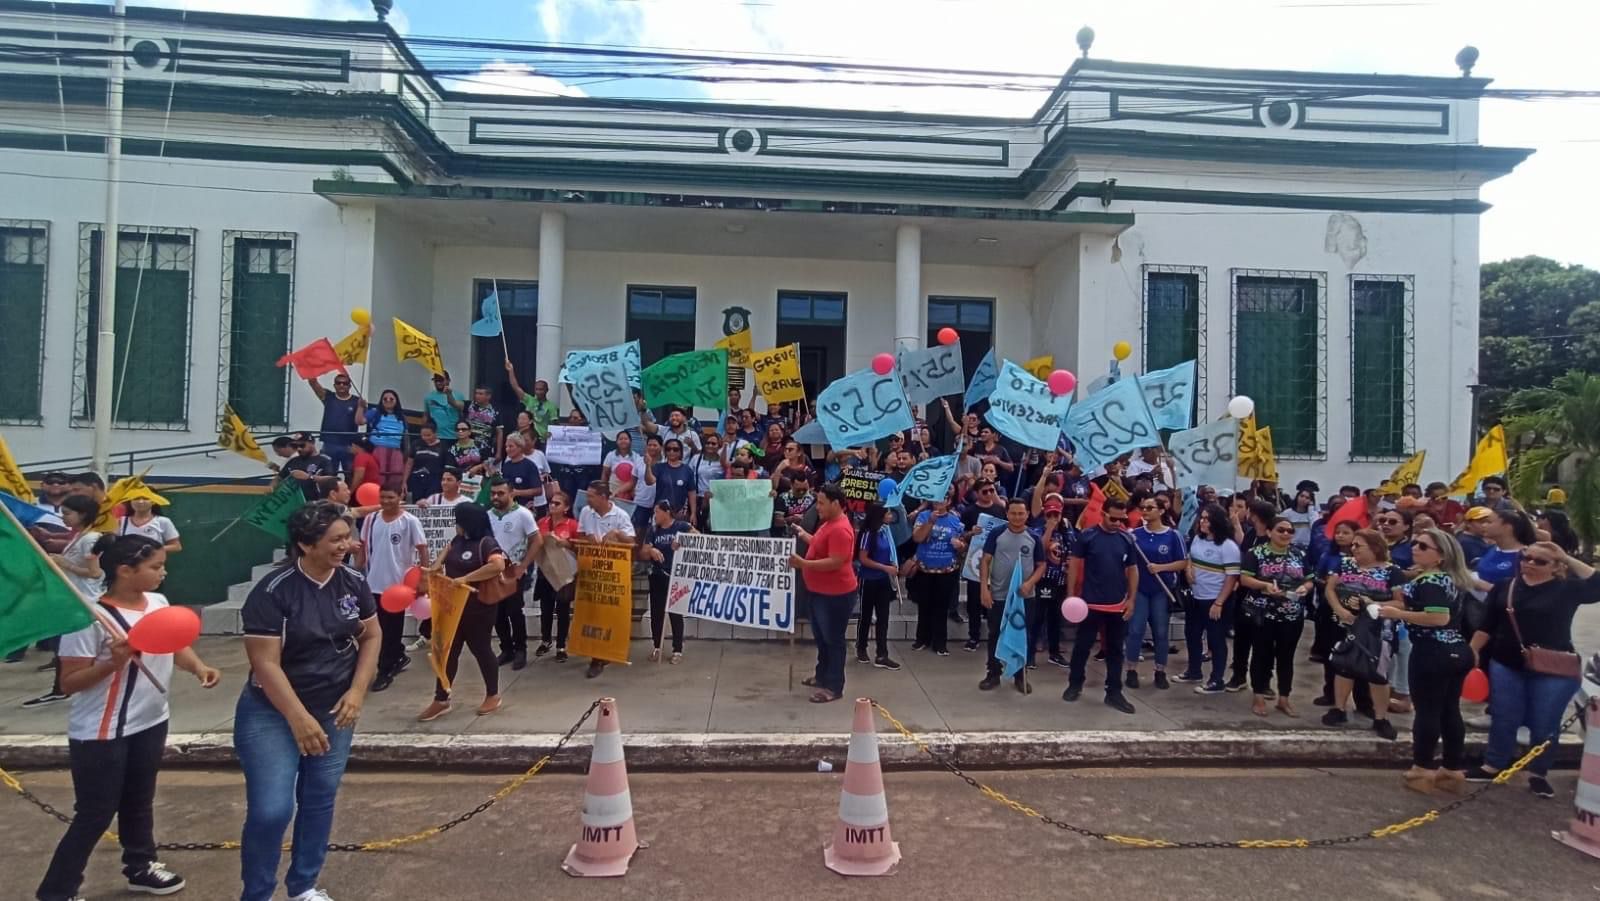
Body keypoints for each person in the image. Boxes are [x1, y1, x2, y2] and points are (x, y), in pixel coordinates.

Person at [35, 536, 221, 901]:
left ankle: (141, 865)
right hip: (102, 732)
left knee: (139, 799)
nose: (163, 573)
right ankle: (57, 890)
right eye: (155, 567)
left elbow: (173, 643)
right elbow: (69, 682)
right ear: (125, 570)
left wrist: (199, 667)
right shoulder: (90, 618)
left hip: (150, 720)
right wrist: (113, 663)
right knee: (96, 812)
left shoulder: (158, 603)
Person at [237, 503, 378, 901]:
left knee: (319, 798)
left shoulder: (353, 581)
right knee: (271, 809)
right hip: (272, 711)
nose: (345, 546)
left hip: (334, 709)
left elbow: (371, 635)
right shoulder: (273, 591)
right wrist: (297, 718)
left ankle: (303, 886)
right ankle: (257, 894)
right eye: (335, 540)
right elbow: (264, 663)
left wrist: (357, 691)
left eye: (347, 537)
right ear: (305, 544)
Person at [1467, 540, 1599, 798]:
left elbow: (1597, 583)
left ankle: (1538, 773)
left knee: (1545, 723)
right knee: (1504, 717)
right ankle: (1493, 764)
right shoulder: (1506, 586)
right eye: (1526, 558)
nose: (1530, 564)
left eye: (1540, 561)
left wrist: (1566, 557)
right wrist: (1472, 650)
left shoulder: (1567, 588)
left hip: (1553, 668)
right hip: (1506, 662)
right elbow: (1487, 624)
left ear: (1555, 566)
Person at [1379, 528, 1475, 795]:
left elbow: (1438, 617)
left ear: (1440, 556)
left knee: (1428, 711)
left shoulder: (1431, 581)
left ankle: (1422, 769)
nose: (1415, 548)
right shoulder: (1450, 579)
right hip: (1456, 648)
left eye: (1423, 546)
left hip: (1433, 650)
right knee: (1449, 710)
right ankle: (1452, 769)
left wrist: (1398, 614)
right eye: (1415, 543)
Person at [418, 503, 507, 722]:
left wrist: (466, 578)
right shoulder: (459, 539)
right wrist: (436, 566)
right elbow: (447, 550)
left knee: (481, 649)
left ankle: (493, 694)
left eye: (458, 521)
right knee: (448, 651)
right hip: (452, 607)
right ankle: (441, 698)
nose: (455, 525)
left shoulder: (486, 543)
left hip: (478, 607)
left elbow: (498, 566)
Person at [20, 495, 108, 709]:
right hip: (74, 597)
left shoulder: (90, 539)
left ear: (83, 515)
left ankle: (63, 688)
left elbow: (95, 573)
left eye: (68, 513)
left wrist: (64, 563)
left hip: (86, 599)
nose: (63, 517)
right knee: (65, 647)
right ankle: (61, 687)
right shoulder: (80, 536)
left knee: (71, 648)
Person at [1321, 529, 1406, 739]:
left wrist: (1372, 603)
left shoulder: (1392, 571)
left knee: (1378, 673)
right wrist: (1339, 609)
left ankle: (1380, 717)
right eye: (1353, 545)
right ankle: (1339, 709)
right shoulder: (1345, 564)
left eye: (1358, 545)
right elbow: (1330, 589)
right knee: (1343, 667)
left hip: (1377, 629)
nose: (1353, 549)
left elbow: (1400, 602)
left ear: (1375, 547)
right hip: (1345, 624)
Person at [1063, 499, 1137, 712]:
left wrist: (1131, 600)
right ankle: (1075, 684)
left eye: (1121, 519)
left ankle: (1114, 692)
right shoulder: (1087, 536)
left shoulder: (1127, 539)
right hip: (1090, 603)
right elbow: (1074, 565)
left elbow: (1133, 569)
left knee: (1115, 651)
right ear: (1103, 513)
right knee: (1082, 647)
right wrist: (1071, 596)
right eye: (1113, 518)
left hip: (1117, 604)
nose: (1117, 523)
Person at [1238, 516, 1313, 717]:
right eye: (1281, 530)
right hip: (1262, 613)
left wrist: (1305, 588)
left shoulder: (1298, 553)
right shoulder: (1256, 553)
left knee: (1286, 657)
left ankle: (1284, 698)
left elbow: (1309, 580)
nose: (1286, 534)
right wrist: (1264, 585)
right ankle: (1259, 696)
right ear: (1269, 532)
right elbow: (1245, 579)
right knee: (1261, 654)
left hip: (1292, 615)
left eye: (1290, 531)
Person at [356, 486, 429, 694]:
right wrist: (356, 571)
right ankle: (398, 655)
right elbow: (363, 547)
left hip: (398, 587)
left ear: (400, 497)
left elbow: (422, 549)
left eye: (390, 497)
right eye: (382, 497)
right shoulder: (371, 519)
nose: (386, 501)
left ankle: (385, 670)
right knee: (377, 628)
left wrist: (423, 578)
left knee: (391, 630)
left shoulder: (410, 521)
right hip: (373, 583)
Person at [789, 484, 858, 704]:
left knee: (833, 640)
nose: (817, 507)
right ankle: (822, 676)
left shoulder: (840, 529)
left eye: (821, 503)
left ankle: (834, 686)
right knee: (822, 638)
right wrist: (803, 535)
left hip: (835, 595)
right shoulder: (829, 524)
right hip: (819, 592)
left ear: (835, 503)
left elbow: (835, 561)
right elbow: (820, 544)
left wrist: (804, 564)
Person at [977, 497, 1044, 694]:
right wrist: (984, 588)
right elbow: (985, 561)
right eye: (1013, 513)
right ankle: (993, 673)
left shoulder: (1034, 537)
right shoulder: (997, 534)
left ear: (1027, 514)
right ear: (1007, 514)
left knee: (1023, 635)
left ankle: (1020, 675)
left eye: (1021, 513)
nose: (1017, 517)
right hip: (999, 595)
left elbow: (1041, 565)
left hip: (1024, 597)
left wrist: (1030, 583)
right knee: (995, 634)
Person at [1177, 504, 1241, 693]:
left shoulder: (1228, 546)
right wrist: (1189, 569)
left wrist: (1219, 602)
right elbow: (1190, 557)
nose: (1202, 522)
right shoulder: (1198, 538)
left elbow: (1231, 577)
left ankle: (1217, 679)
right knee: (1192, 634)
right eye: (1202, 518)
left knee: (1216, 639)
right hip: (1196, 596)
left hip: (1215, 599)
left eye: (1207, 519)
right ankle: (1194, 670)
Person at [576, 481, 636, 678]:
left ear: (603, 497)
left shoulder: (621, 515)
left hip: (613, 573)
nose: (588, 499)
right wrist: (588, 540)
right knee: (593, 613)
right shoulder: (586, 512)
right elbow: (580, 535)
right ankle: (596, 655)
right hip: (592, 569)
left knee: (609, 614)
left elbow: (632, 542)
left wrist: (617, 534)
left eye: (591, 496)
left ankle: (605, 653)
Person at [1126, 495, 1186, 690]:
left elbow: (1183, 562)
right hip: (1139, 589)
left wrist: (1161, 568)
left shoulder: (1173, 535)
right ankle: (1131, 670)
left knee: (1161, 632)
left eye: (1150, 508)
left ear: (1161, 511)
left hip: (1162, 590)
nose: (1145, 511)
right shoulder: (1134, 535)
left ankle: (1160, 671)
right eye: (1143, 507)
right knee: (1135, 630)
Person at [487, 477, 541, 671]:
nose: (496, 497)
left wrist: (523, 565)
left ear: (511, 493)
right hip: (493, 571)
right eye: (493, 493)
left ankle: (520, 650)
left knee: (514, 612)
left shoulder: (523, 514)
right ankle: (506, 648)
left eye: (500, 493)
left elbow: (537, 540)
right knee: (497, 614)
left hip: (514, 570)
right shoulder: (488, 515)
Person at [910, 493, 964, 656]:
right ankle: (922, 639)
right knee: (924, 606)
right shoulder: (924, 516)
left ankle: (940, 643)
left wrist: (960, 545)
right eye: (936, 499)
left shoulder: (955, 519)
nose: (938, 502)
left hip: (947, 570)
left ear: (948, 501)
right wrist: (930, 522)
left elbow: (962, 544)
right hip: (925, 569)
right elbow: (917, 538)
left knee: (942, 607)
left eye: (942, 499)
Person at [640, 500, 692, 663]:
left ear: (666, 512)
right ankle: (657, 646)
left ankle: (677, 650)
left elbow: (697, 537)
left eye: (657, 512)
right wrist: (651, 550)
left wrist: (683, 541)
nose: (655, 515)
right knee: (656, 614)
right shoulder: (653, 530)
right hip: (657, 575)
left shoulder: (681, 526)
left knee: (676, 613)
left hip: (675, 575)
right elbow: (643, 551)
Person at [959, 478, 1008, 646]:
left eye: (992, 490)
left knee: (996, 600)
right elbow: (961, 535)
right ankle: (974, 636)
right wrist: (971, 533)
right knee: (974, 601)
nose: (989, 494)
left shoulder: (1000, 510)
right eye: (985, 491)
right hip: (975, 562)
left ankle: (995, 635)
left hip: (997, 560)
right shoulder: (969, 512)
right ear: (976, 493)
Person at [854, 502, 901, 671]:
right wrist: (884, 567)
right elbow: (863, 558)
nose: (890, 516)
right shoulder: (869, 534)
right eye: (887, 513)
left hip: (883, 580)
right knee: (866, 615)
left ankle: (882, 654)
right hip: (869, 579)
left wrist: (892, 564)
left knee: (883, 617)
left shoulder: (885, 532)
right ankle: (861, 647)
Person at [534, 491, 580, 661]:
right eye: (551, 502)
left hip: (564, 572)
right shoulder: (542, 522)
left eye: (557, 503)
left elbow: (579, 548)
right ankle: (546, 640)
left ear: (566, 507)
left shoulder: (572, 525)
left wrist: (566, 544)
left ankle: (561, 645)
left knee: (562, 609)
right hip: (545, 571)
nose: (552, 506)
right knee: (545, 609)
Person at [1033, 495, 1072, 669]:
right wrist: (1049, 530)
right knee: (1038, 618)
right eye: (1050, 515)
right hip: (1044, 580)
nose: (1053, 518)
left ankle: (1054, 653)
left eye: (1056, 515)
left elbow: (1072, 552)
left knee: (1055, 619)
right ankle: (1030, 655)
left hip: (1060, 580)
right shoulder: (1038, 531)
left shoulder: (1067, 532)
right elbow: (1039, 551)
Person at [307, 373, 364, 477]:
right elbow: (313, 382)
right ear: (334, 385)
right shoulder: (328, 397)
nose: (341, 385)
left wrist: (362, 407)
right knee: (328, 475)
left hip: (348, 445)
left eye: (345, 383)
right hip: (329, 443)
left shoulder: (357, 401)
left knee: (350, 475)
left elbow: (361, 421)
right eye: (338, 383)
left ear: (349, 386)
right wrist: (310, 368)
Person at [1477, 507, 1534, 592]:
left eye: (1489, 522)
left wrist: (1480, 585)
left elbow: (1522, 591)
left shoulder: (1525, 556)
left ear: (1507, 527)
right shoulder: (1491, 548)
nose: (1484, 525)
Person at [363, 388, 407, 491]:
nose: (388, 401)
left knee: (396, 475)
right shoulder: (375, 412)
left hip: (396, 450)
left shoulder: (402, 417)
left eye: (391, 399)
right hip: (378, 449)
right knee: (378, 474)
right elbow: (360, 421)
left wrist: (405, 454)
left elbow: (406, 437)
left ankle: (393, 497)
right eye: (385, 399)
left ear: (396, 401)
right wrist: (361, 408)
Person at [504, 361, 559, 444]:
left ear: (546, 390)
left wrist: (551, 434)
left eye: (541, 389)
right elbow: (515, 387)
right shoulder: (529, 400)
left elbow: (554, 424)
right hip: (526, 438)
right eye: (536, 389)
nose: (538, 392)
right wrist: (511, 371)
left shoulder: (551, 406)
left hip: (541, 440)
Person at [649, 438, 696, 519]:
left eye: (675, 449)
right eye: (668, 449)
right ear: (665, 452)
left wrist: (693, 513)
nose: (672, 452)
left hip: (680, 514)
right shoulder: (658, 467)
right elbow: (649, 481)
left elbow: (692, 492)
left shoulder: (687, 470)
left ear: (681, 452)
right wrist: (648, 466)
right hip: (661, 512)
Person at [499, 433, 546, 512]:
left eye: (511, 446)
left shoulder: (529, 465)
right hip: (508, 507)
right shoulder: (506, 465)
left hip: (525, 508)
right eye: (506, 447)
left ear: (520, 447)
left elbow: (538, 490)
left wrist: (517, 492)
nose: (507, 449)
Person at [115, 497, 181, 553]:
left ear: (153, 501)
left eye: (146, 498)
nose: (140, 502)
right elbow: (113, 544)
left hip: (154, 563)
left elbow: (176, 546)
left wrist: (152, 550)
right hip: (126, 563)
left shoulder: (163, 521)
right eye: (136, 498)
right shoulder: (121, 521)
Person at [403, 421, 446, 503]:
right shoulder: (416, 444)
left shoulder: (443, 446)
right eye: (423, 435)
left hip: (434, 481)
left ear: (435, 433)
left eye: (428, 435)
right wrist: (404, 481)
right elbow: (409, 464)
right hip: (416, 479)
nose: (425, 438)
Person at [284, 435, 336, 501]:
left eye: (302, 445)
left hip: (314, 500)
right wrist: (272, 486)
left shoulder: (323, 460)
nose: (299, 449)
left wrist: (309, 477)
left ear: (312, 443)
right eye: (295, 446)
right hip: (294, 500)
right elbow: (280, 477)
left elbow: (331, 479)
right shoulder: (293, 460)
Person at [462, 385, 504, 461]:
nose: (477, 396)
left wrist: (499, 452)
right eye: (476, 393)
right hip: (468, 447)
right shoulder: (469, 405)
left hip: (486, 448)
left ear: (488, 396)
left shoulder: (495, 411)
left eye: (480, 394)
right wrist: (449, 394)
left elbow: (499, 432)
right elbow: (455, 403)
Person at [602, 431, 644, 503]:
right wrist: (603, 490)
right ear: (616, 441)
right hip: (612, 492)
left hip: (630, 493)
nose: (623, 441)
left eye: (626, 439)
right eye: (620, 439)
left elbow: (637, 477)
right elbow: (605, 474)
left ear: (630, 441)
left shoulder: (636, 457)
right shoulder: (611, 455)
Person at [423, 371, 466, 438]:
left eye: (441, 380)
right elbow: (426, 415)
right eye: (436, 381)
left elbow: (462, 414)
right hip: (436, 436)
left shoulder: (458, 395)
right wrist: (425, 432)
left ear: (448, 380)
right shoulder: (429, 397)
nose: (438, 383)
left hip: (454, 436)